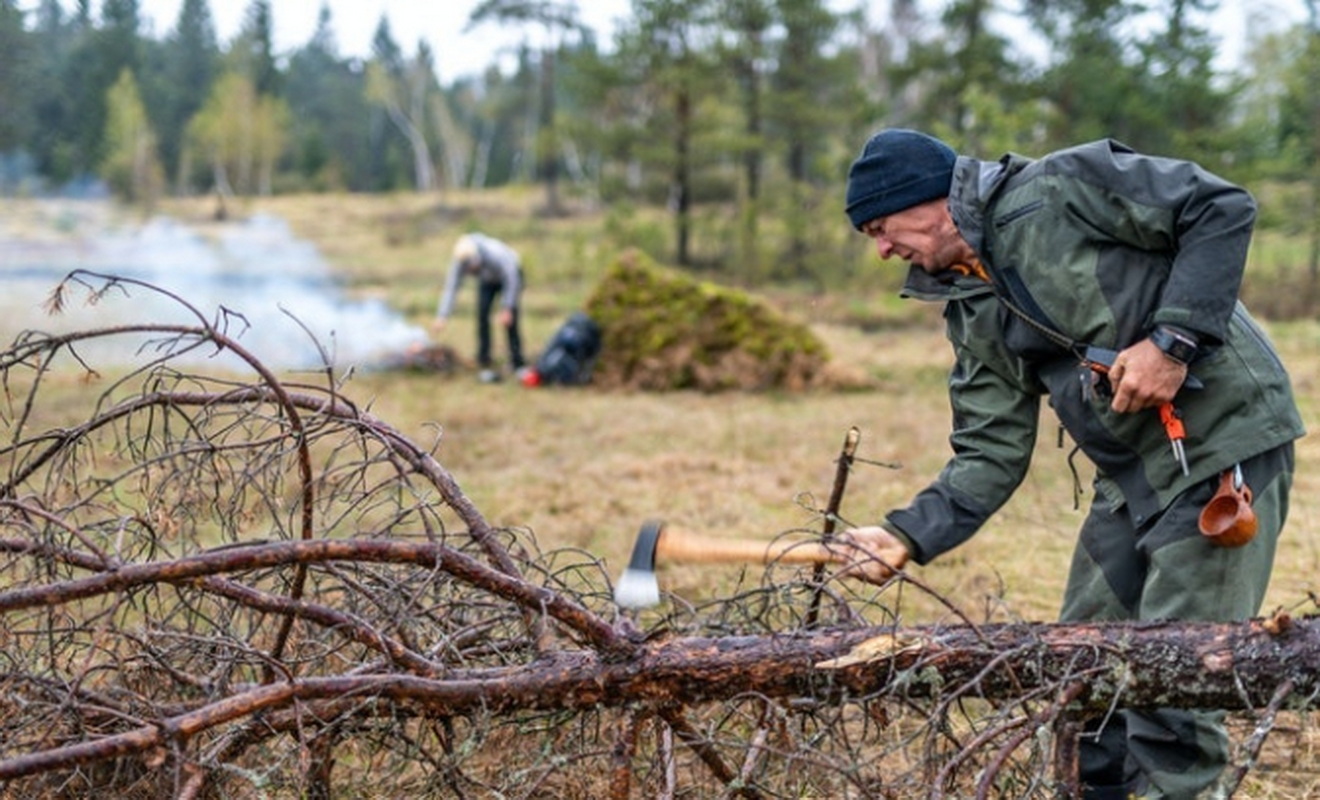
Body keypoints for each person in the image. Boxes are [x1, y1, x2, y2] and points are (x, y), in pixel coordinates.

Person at [837, 129, 1305, 799]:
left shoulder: (1060, 188)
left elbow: (1221, 207)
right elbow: (990, 451)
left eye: (882, 228)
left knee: (1175, 685)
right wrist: (907, 534)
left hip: (1220, 446)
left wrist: (1173, 343)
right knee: (1081, 674)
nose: (882, 250)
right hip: (1134, 478)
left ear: (932, 201)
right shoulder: (969, 303)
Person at [433, 232, 527, 382]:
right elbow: (452, 288)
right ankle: (484, 358)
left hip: (510, 276)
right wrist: (442, 316)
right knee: (482, 314)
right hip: (488, 280)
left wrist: (507, 307)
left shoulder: (495, 254)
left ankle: (517, 361)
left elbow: (512, 277)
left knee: (510, 320)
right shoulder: (460, 261)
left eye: (472, 269)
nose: (470, 272)